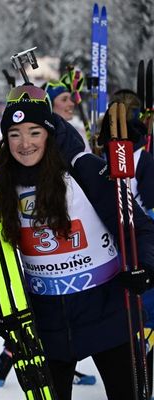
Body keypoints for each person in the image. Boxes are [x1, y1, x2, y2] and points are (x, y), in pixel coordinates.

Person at [0, 84, 154, 400]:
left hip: (107, 314)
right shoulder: (2, 183)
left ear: (48, 132)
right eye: (14, 134)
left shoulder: (82, 169)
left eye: (34, 132)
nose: (25, 143)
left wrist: (146, 266)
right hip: (47, 325)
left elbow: (138, 227)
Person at [0, 80, 99, 389]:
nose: (70, 105)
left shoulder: (73, 153)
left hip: (93, 300)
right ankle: (6, 359)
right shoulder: (8, 183)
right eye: (63, 100)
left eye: (35, 132)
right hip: (46, 306)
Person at [98, 89, 154, 396]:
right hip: (133, 247)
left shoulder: (111, 155)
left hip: (127, 247)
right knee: (142, 316)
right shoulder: (134, 157)